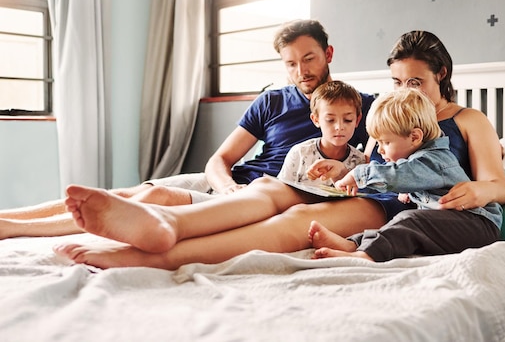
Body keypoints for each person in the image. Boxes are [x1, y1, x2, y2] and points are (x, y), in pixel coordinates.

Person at [52, 30, 505, 270]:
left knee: (292, 222)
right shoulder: (389, 112)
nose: (404, 91)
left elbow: (498, 186)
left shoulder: (468, 120)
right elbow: (367, 155)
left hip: (383, 202)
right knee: (267, 192)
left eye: (416, 82)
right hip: (352, 185)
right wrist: (333, 170)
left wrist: (478, 193)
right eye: (396, 82)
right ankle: (165, 224)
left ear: (442, 74)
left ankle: (157, 255)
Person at [0, 19, 374, 239]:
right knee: (133, 190)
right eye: (290, 64)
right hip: (233, 183)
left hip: (263, 196)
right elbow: (221, 159)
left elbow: (390, 154)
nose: (301, 71)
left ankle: (20, 232)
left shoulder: (360, 107)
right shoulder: (272, 101)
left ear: (328, 54)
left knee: (154, 199)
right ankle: (8, 218)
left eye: (308, 59)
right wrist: (227, 185)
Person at [308, 88, 502, 262]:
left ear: (415, 137)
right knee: (397, 224)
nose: (381, 151)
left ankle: (365, 255)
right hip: (455, 224)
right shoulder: (419, 161)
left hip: (478, 225)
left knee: (410, 220)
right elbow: (415, 177)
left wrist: (359, 174)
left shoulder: (434, 160)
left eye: (385, 143)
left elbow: (398, 174)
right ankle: (353, 244)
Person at [277, 80, 366, 186]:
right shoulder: (300, 153)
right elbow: (282, 190)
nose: (339, 127)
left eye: (348, 120)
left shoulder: (360, 162)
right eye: (330, 120)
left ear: (357, 120)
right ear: (316, 120)